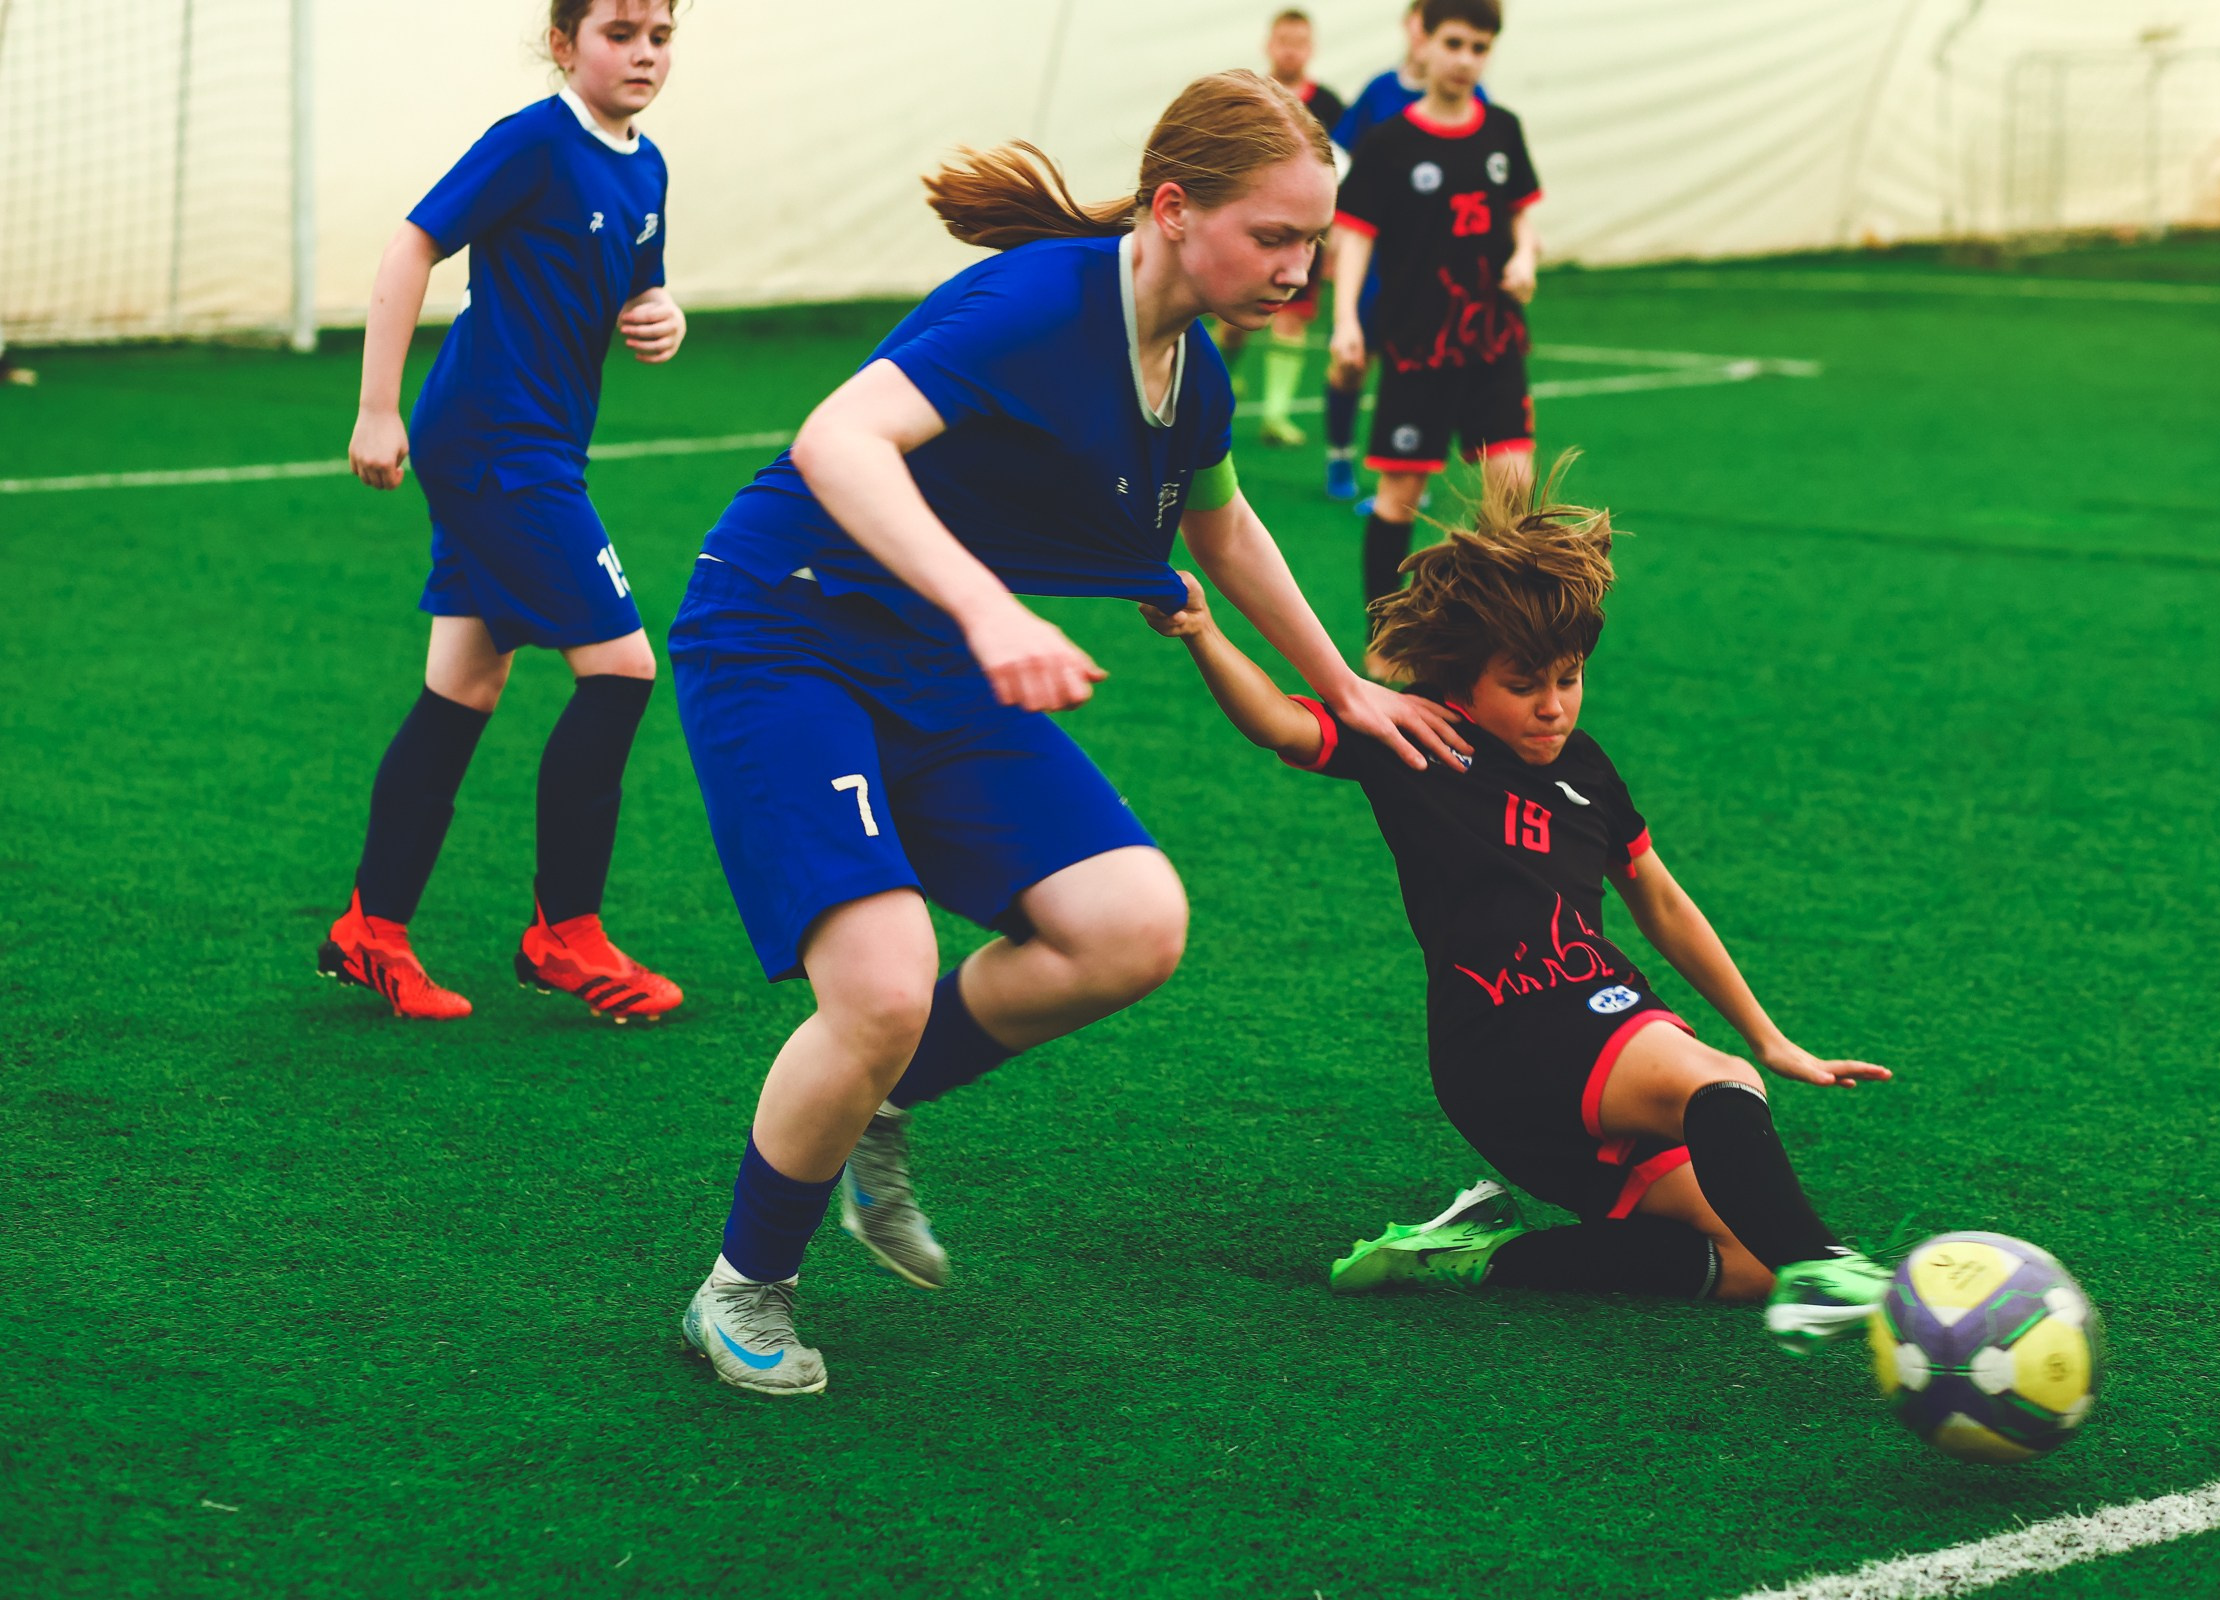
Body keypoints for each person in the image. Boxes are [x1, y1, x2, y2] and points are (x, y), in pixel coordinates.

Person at [669, 71, 1472, 1396]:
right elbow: (837, 440)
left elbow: (1223, 528)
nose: (1300, 268)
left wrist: (1347, 684)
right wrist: (990, 611)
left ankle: (881, 1090)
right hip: (784, 631)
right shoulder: (1038, 302)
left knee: (1130, 923)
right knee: (873, 986)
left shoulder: (1187, 363)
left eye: (1314, 242)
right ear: (1172, 209)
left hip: (930, 648)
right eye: (1275, 237)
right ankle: (742, 1288)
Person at [1141, 458, 1898, 1352]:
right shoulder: (1414, 733)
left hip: (1583, 1027)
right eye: (1524, 686)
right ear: (1465, 680)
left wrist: (1770, 1035)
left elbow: (1660, 900)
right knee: (1720, 1084)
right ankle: (1824, 1263)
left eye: (1568, 680)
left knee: (1742, 1261)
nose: (1552, 709)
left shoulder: (1587, 770)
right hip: (1508, 1033)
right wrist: (1200, 630)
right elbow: (1277, 721)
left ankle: (1468, 1257)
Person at [319, 0, 688, 1023]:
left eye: (660, 35)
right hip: (495, 443)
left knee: (464, 684)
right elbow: (409, 247)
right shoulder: (531, 141)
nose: (644, 53)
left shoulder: (646, 164)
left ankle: (370, 930)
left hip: (537, 443)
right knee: (623, 670)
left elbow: (635, 293)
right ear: (566, 45)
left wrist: (664, 316)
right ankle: (565, 936)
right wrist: (377, 410)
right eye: (620, 33)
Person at [1332, 0, 1539, 679]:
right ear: (1425, 41)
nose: (1466, 58)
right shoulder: (1391, 143)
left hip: (1495, 343)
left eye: (1480, 47)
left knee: (1513, 492)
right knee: (1400, 497)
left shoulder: (1504, 129)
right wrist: (1346, 322)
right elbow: (1355, 233)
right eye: (1455, 42)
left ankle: (1503, 638)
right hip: (1422, 348)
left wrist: (1524, 260)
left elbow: (1524, 213)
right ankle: (1388, 637)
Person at [1319, 0, 1483, 503]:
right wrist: (1339, 225)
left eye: (1474, 45)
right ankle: (1340, 458)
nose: (1462, 55)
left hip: (1429, 263)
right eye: (1446, 37)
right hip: (1375, 256)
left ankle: (1411, 471)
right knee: (1350, 361)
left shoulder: (1474, 98)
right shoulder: (1380, 91)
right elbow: (1339, 156)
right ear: (1416, 30)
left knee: (1417, 362)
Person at [1216, 9, 1345, 447]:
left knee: (1293, 316)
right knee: (1234, 317)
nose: (1291, 49)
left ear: (1311, 49)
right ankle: (1221, 378)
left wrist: (1337, 233)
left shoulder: (1328, 105)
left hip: (1303, 230)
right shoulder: (1248, 94)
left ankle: (1275, 413)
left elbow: (1339, 166)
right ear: (1268, 44)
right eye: (1284, 40)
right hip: (1253, 229)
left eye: (1300, 42)